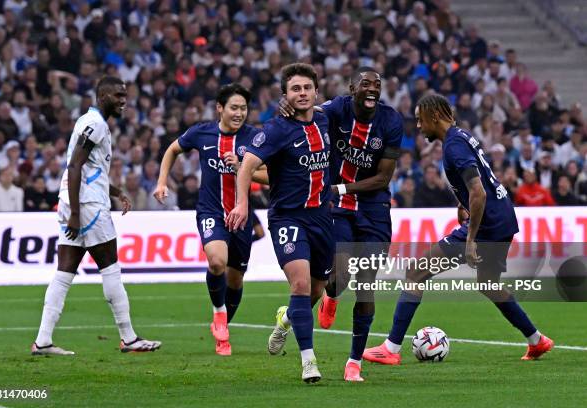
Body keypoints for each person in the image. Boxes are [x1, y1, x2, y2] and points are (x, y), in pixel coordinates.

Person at [363, 94, 553, 365]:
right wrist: (462, 204)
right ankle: (537, 340)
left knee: (416, 271)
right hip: (502, 219)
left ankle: (391, 348)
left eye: (420, 120)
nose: (418, 126)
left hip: (487, 224)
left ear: (434, 117)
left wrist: (471, 237)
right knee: (489, 284)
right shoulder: (462, 136)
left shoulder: (453, 146)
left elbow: (479, 192)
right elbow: (479, 184)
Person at [279, 67, 403, 381]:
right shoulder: (337, 109)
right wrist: (289, 107)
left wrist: (342, 187)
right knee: (341, 274)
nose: (372, 88)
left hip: (373, 208)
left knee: (367, 284)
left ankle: (354, 363)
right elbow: (309, 111)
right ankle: (331, 297)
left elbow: (383, 178)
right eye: (365, 83)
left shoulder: (390, 121)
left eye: (378, 83)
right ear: (352, 88)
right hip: (338, 209)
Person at [31, 76, 161, 356]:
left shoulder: (88, 122)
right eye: (118, 96)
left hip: (76, 200)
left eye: (125, 96)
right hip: (86, 206)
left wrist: (115, 191)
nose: (123, 101)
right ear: (102, 96)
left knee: (64, 271)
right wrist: (77, 214)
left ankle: (43, 340)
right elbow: (75, 166)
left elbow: (88, 168)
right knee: (110, 267)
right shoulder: (95, 125)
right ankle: (129, 338)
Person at [227, 63, 331, 383]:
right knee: (299, 284)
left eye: (306, 88)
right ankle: (309, 362)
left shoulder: (327, 119)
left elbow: (352, 102)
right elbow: (247, 166)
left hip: (322, 218)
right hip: (288, 217)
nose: (301, 94)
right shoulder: (275, 129)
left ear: (316, 91)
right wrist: (242, 203)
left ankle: (286, 318)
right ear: (285, 94)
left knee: (315, 290)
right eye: (295, 89)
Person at [153, 83, 266, 356]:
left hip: (241, 215)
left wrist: (242, 168)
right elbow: (172, 150)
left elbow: (271, 176)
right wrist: (161, 181)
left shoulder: (256, 138)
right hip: (211, 211)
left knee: (236, 280)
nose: (239, 113)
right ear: (220, 108)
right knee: (217, 262)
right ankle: (218, 313)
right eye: (234, 108)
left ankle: (223, 330)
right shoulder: (202, 132)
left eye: (243, 108)